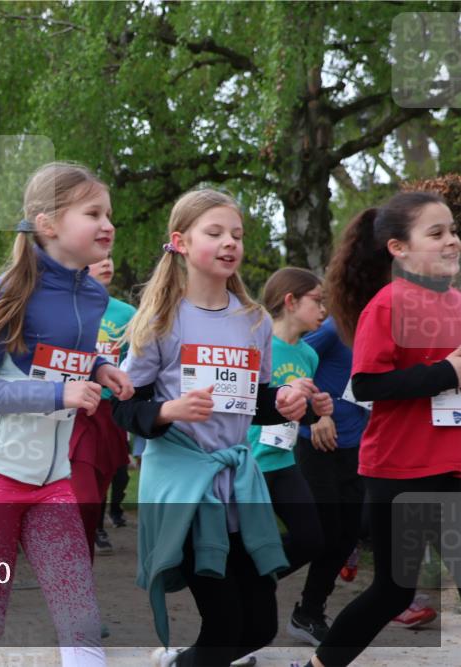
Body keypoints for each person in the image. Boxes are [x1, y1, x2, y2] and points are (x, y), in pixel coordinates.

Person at [0, 162, 133, 667]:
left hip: (52, 475)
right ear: (48, 223)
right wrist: (59, 396)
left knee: (79, 616)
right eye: (93, 213)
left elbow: (62, 356)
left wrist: (102, 367)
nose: (107, 224)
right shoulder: (7, 291)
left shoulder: (95, 293)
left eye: (109, 213)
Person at [111, 188, 314, 667]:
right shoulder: (159, 320)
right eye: (216, 232)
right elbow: (123, 405)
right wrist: (167, 412)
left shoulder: (255, 321)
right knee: (223, 627)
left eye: (237, 235)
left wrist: (284, 403)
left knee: (260, 628)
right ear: (180, 242)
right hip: (184, 485)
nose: (230, 243)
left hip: (241, 485)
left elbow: (254, 401)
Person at [296, 192, 461, 667]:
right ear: (398, 248)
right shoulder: (388, 305)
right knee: (392, 591)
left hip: (450, 466)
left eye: (452, 230)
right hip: (404, 472)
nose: (451, 240)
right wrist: (446, 373)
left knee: (400, 589)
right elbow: (367, 383)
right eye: (436, 233)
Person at [245, 268, 333, 647]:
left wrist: (319, 410)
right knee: (253, 545)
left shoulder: (309, 354)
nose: (324, 309)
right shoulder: (255, 343)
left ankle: (246, 581)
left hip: (284, 462)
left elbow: (301, 412)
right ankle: (238, 626)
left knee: (312, 539)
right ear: (290, 301)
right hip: (251, 465)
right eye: (317, 299)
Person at [71, 251, 137, 560]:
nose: (107, 262)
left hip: (111, 410)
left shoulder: (128, 314)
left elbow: (135, 361)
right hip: (73, 409)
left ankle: (91, 538)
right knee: (80, 492)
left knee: (102, 485)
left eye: (111, 257)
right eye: (99, 258)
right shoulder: (67, 306)